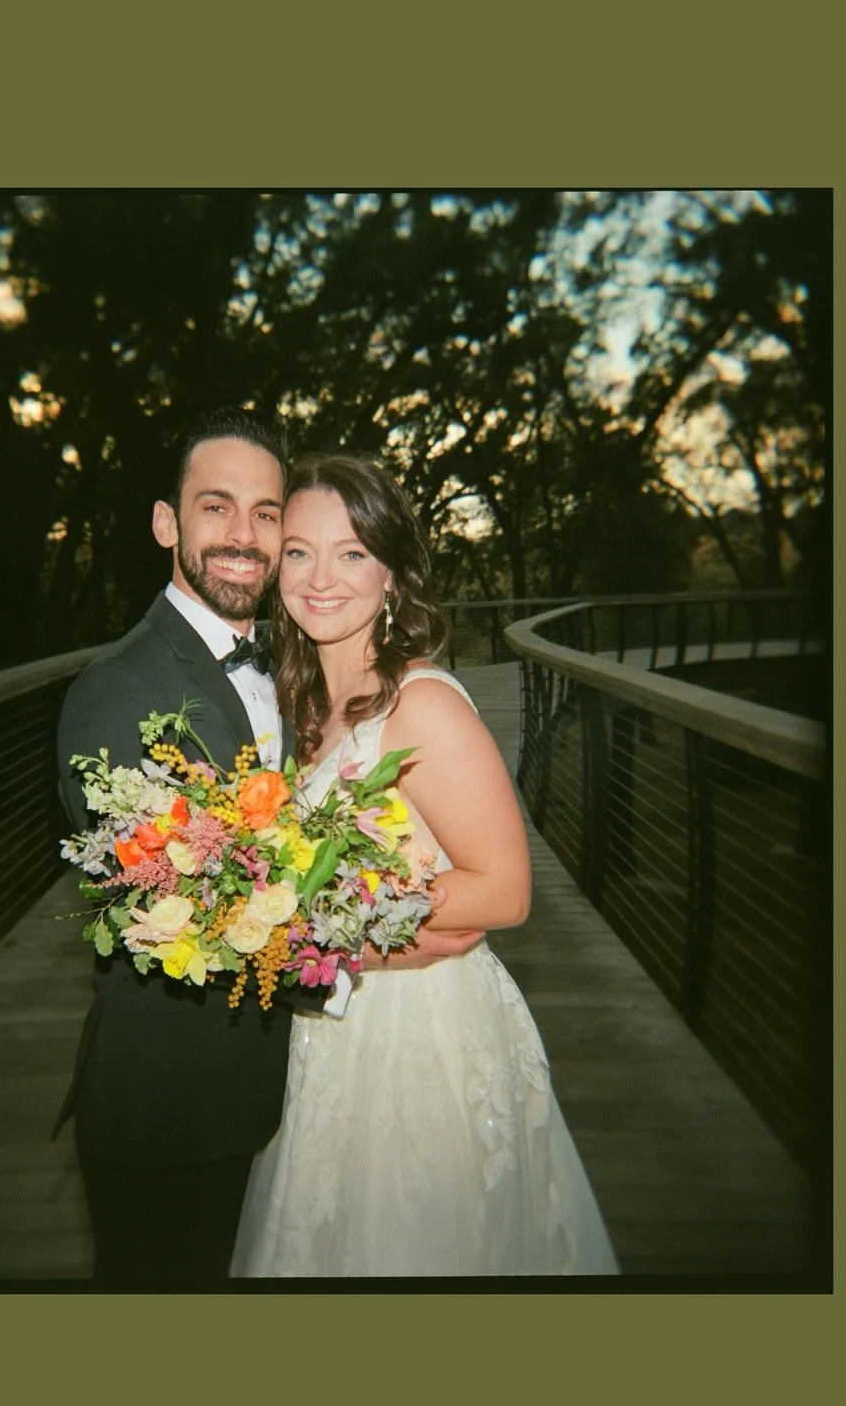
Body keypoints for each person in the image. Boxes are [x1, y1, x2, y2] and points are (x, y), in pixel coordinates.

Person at [53, 413, 476, 1289]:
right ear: (168, 524)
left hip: (289, 1090)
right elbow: (189, 918)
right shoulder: (117, 692)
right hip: (176, 1107)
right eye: (216, 508)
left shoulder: (297, 666)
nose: (244, 536)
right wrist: (392, 935)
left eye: (265, 513)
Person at [230, 454, 620, 1277]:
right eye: (299, 551)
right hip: (323, 1033)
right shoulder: (297, 706)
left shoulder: (424, 705)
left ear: (394, 574)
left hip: (418, 1037)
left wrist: (341, 932)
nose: (321, 578)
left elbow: (505, 888)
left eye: (353, 553)